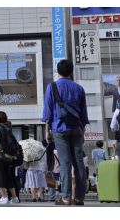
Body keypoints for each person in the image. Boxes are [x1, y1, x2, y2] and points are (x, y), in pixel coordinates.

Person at [42, 59, 89, 205]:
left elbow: (48, 110)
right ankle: (79, 197)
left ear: (58, 71)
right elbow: (84, 113)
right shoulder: (79, 88)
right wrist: (83, 130)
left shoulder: (52, 87)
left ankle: (66, 197)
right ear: (71, 71)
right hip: (76, 128)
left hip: (59, 129)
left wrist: (47, 131)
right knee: (79, 163)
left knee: (65, 163)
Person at [0, 111, 19, 204]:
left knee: (0, 176)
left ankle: (4, 197)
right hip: (9, 156)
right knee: (9, 177)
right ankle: (15, 198)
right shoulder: (8, 127)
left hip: (0, 156)